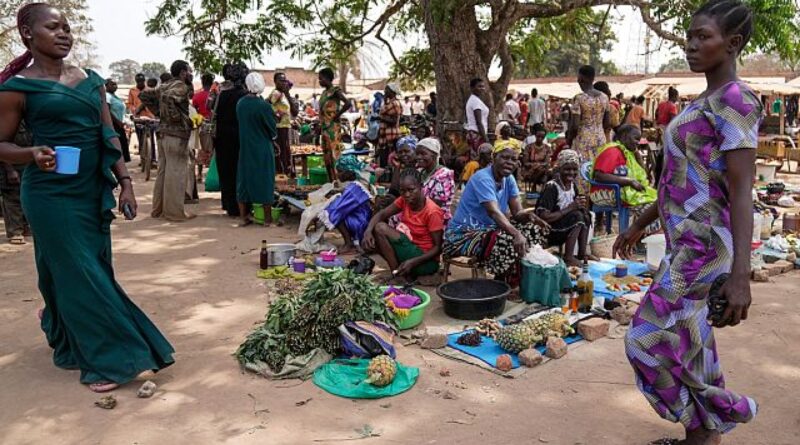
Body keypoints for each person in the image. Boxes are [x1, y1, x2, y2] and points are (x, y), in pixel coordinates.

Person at [0, 2, 174, 392]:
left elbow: (107, 133)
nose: (64, 33)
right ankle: (110, 360)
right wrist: (30, 154)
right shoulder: (16, 88)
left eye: (66, 27)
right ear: (28, 34)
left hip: (89, 192)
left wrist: (126, 182)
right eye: (53, 27)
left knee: (81, 268)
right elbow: (1, 143)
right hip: (48, 195)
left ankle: (65, 337)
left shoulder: (91, 80)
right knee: (82, 273)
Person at [615, 2, 761, 444]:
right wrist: (641, 223)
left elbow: (741, 190)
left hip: (704, 248)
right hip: (685, 243)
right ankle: (703, 438)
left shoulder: (736, 100)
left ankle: (714, 416)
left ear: (732, 44)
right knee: (692, 342)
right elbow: (679, 180)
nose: (691, 45)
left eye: (704, 37)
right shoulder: (704, 101)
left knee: (644, 339)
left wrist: (740, 275)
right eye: (690, 36)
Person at [443, 141, 550, 287]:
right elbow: (493, 212)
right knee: (507, 239)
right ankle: (501, 284)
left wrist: (531, 217)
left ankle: (511, 279)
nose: (509, 162)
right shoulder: (483, 178)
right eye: (505, 157)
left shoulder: (509, 179)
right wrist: (516, 234)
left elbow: (517, 212)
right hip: (463, 234)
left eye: (513, 159)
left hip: (489, 230)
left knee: (533, 230)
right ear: (494, 158)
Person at [139, 60, 195, 221]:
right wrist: (175, 117)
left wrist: (159, 112)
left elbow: (144, 95)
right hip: (176, 135)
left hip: (163, 133)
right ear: (183, 72)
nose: (190, 74)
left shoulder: (165, 85)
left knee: (163, 172)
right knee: (176, 173)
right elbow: (169, 98)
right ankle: (175, 213)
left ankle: (158, 210)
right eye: (189, 71)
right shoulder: (180, 87)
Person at [363, 171, 444, 281]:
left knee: (380, 228)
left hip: (426, 262)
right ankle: (398, 272)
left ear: (421, 187)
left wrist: (413, 262)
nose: (406, 195)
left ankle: (398, 275)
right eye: (402, 191)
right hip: (411, 249)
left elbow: (438, 248)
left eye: (411, 190)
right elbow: (382, 214)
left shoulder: (432, 211)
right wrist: (367, 232)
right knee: (374, 233)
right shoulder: (404, 201)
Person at [535, 150, 591, 266]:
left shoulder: (572, 186)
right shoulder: (552, 187)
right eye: (567, 169)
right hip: (548, 231)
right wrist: (571, 208)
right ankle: (568, 257)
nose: (571, 173)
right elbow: (544, 217)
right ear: (559, 168)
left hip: (562, 227)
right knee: (577, 216)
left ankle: (582, 253)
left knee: (585, 214)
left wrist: (581, 205)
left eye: (574, 169)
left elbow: (576, 207)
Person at [236, 73, 278, 227]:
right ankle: (267, 219)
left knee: (244, 179)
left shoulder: (240, 103)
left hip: (245, 146)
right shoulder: (263, 106)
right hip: (262, 147)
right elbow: (272, 129)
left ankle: (243, 217)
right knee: (265, 179)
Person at [318, 155, 374, 254]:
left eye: (340, 171)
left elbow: (337, 208)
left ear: (347, 172)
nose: (337, 174)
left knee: (335, 212)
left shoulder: (352, 189)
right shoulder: (357, 184)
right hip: (364, 218)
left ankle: (349, 243)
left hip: (361, 222)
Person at [215, 63, 249, 217]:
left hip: (221, 137)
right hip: (238, 137)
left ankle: (228, 203)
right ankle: (239, 206)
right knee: (238, 171)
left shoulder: (221, 93)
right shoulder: (243, 95)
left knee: (225, 170)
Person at [567, 65, 610, 164]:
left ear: (581, 79)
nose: (578, 81)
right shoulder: (604, 97)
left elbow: (574, 126)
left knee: (583, 171)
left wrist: (569, 141)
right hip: (600, 139)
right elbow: (607, 123)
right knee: (597, 170)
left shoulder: (579, 98)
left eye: (579, 78)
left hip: (583, 141)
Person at [0, 124, 31, 244]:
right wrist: (10, 170)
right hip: (9, 166)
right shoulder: (5, 120)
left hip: (25, 164)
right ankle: (15, 231)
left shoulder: (25, 119)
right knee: (12, 197)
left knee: (24, 196)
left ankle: (25, 227)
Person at [318, 67, 349, 181]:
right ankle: (331, 180)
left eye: (321, 79)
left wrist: (338, 114)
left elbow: (347, 103)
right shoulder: (324, 93)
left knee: (334, 155)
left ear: (327, 78)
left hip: (333, 128)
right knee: (326, 156)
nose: (320, 81)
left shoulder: (335, 90)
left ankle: (337, 180)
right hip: (324, 127)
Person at [416, 138, 455, 223]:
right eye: (417, 154)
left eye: (423, 154)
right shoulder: (420, 172)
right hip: (419, 215)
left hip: (437, 220)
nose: (419, 157)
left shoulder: (444, 175)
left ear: (434, 155)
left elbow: (437, 204)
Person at [269, 72, 298, 176]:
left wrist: (288, 94)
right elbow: (266, 105)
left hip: (285, 128)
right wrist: (276, 114)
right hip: (278, 129)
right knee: (280, 154)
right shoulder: (276, 93)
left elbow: (294, 112)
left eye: (285, 80)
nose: (284, 83)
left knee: (285, 154)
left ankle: (285, 175)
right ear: (275, 82)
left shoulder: (284, 94)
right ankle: (280, 176)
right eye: (281, 80)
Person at [192, 73, 214, 182]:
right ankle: (213, 175)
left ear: (202, 82)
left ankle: (199, 175)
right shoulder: (214, 95)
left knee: (202, 148)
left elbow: (194, 111)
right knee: (213, 150)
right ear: (211, 83)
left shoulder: (196, 96)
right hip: (213, 124)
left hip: (201, 125)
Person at [105, 78, 130, 163]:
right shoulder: (107, 96)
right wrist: (118, 122)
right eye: (112, 84)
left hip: (119, 124)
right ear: (106, 86)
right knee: (118, 145)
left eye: (116, 84)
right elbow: (107, 111)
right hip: (113, 124)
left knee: (122, 144)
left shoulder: (115, 97)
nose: (115, 86)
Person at [377, 84, 403, 169]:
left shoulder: (395, 103)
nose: (385, 91)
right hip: (387, 134)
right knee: (384, 156)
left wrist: (381, 117)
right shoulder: (390, 103)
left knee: (389, 157)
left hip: (391, 135)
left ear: (392, 91)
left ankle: (389, 176)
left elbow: (394, 121)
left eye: (386, 89)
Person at [465, 78, 489, 161]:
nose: (482, 88)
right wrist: (485, 139)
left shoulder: (476, 100)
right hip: (477, 134)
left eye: (483, 86)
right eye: (479, 86)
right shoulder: (475, 101)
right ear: (472, 88)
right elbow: (479, 122)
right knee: (478, 160)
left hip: (476, 134)